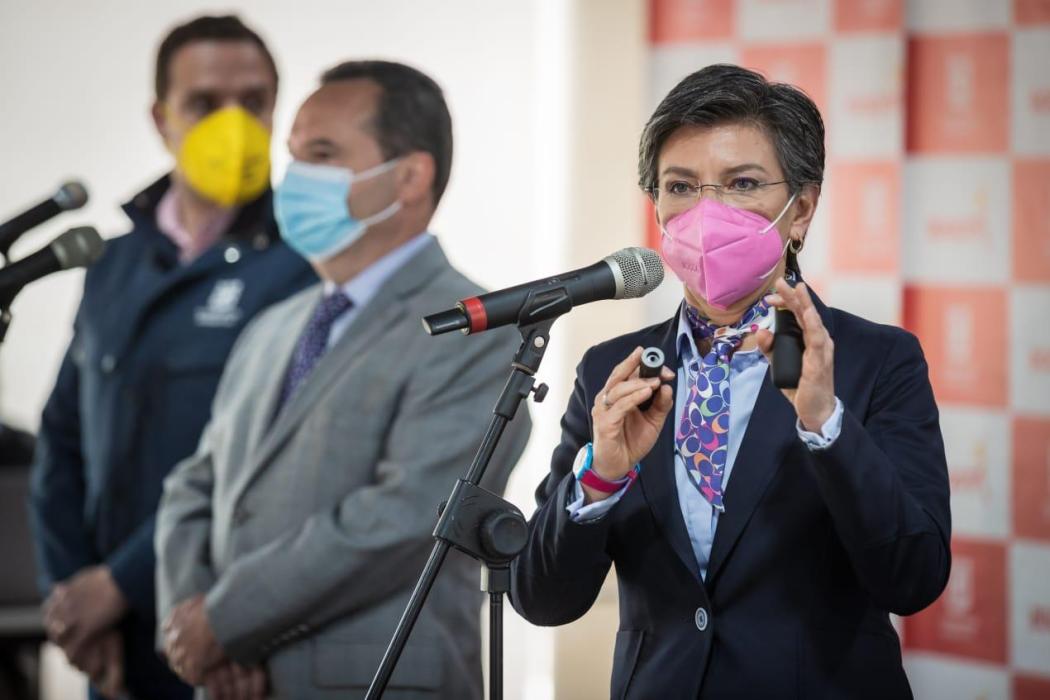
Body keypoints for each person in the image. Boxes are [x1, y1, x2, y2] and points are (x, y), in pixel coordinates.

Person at [510, 64, 951, 699]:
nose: (707, 212)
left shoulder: (878, 360)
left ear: (800, 210)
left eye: (742, 183)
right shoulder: (615, 369)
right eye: (681, 187)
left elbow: (913, 579)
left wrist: (827, 425)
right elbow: (544, 599)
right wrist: (601, 473)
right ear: (656, 210)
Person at [155, 60, 532, 700]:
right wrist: (198, 629)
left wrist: (227, 622)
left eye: (323, 154)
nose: (295, 178)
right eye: (294, 155)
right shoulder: (271, 327)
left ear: (410, 177)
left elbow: (408, 517)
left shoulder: (481, 331)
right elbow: (196, 485)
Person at [28, 15, 315, 700]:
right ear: (162, 118)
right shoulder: (114, 260)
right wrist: (72, 601)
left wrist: (117, 584)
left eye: (254, 102)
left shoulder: (307, 264)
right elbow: (63, 438)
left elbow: (273, 463)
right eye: (205, 104)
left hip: (231, 635)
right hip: (115, 643)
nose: (234, 122)